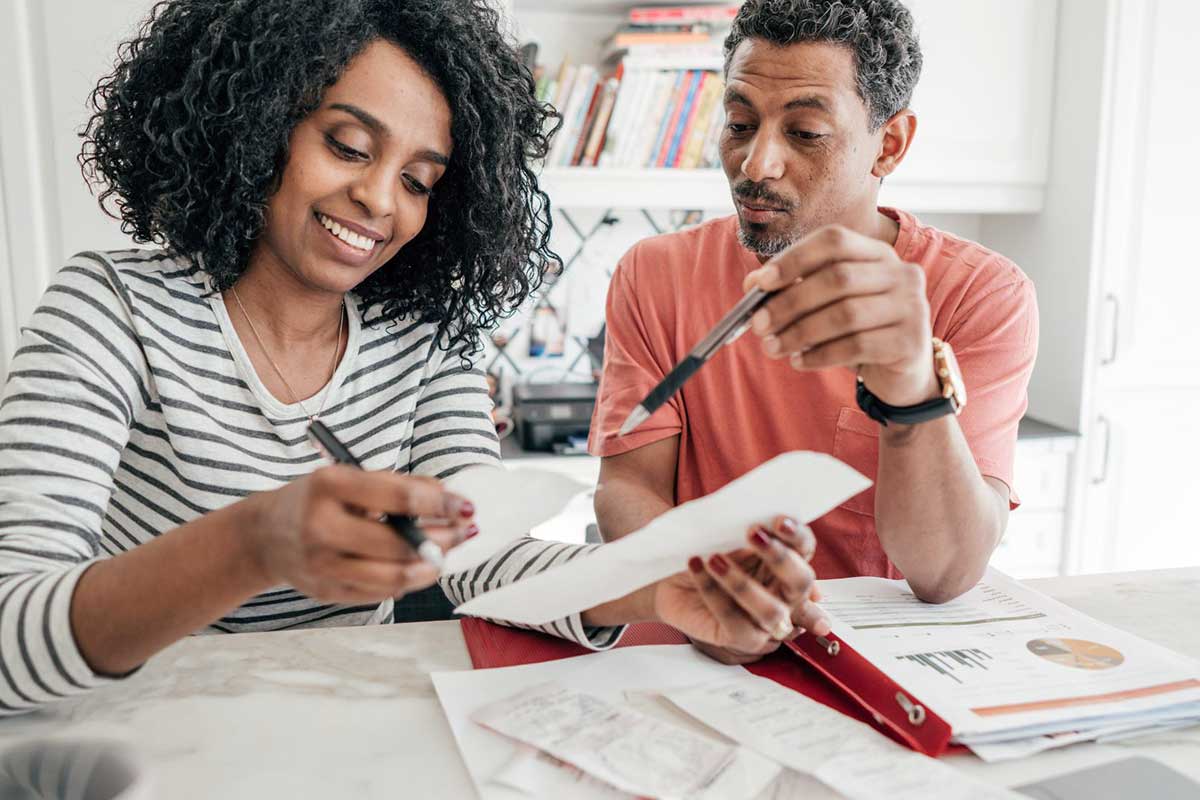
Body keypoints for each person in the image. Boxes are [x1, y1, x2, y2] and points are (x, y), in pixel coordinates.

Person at [0, 0, 825, 717]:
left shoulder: (423, 335)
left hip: (346, 726)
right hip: (136, 732)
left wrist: (660, 588)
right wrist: (251, 544)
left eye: (421, 180)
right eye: (350, 146)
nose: (380, 200)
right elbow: (10, 629)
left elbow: (482, 558)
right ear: (254, 125)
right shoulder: (111, 309)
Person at [589, 0, 1039, 664]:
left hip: (877, 662)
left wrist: (911, 387)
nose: (755, 164)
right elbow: (629, 487)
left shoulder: (981, 295)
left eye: (804, 132)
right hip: (696, 647)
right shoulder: (656, 274)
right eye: (740, 122)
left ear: (889, 144)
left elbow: (943, 572)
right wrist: (706, 591)